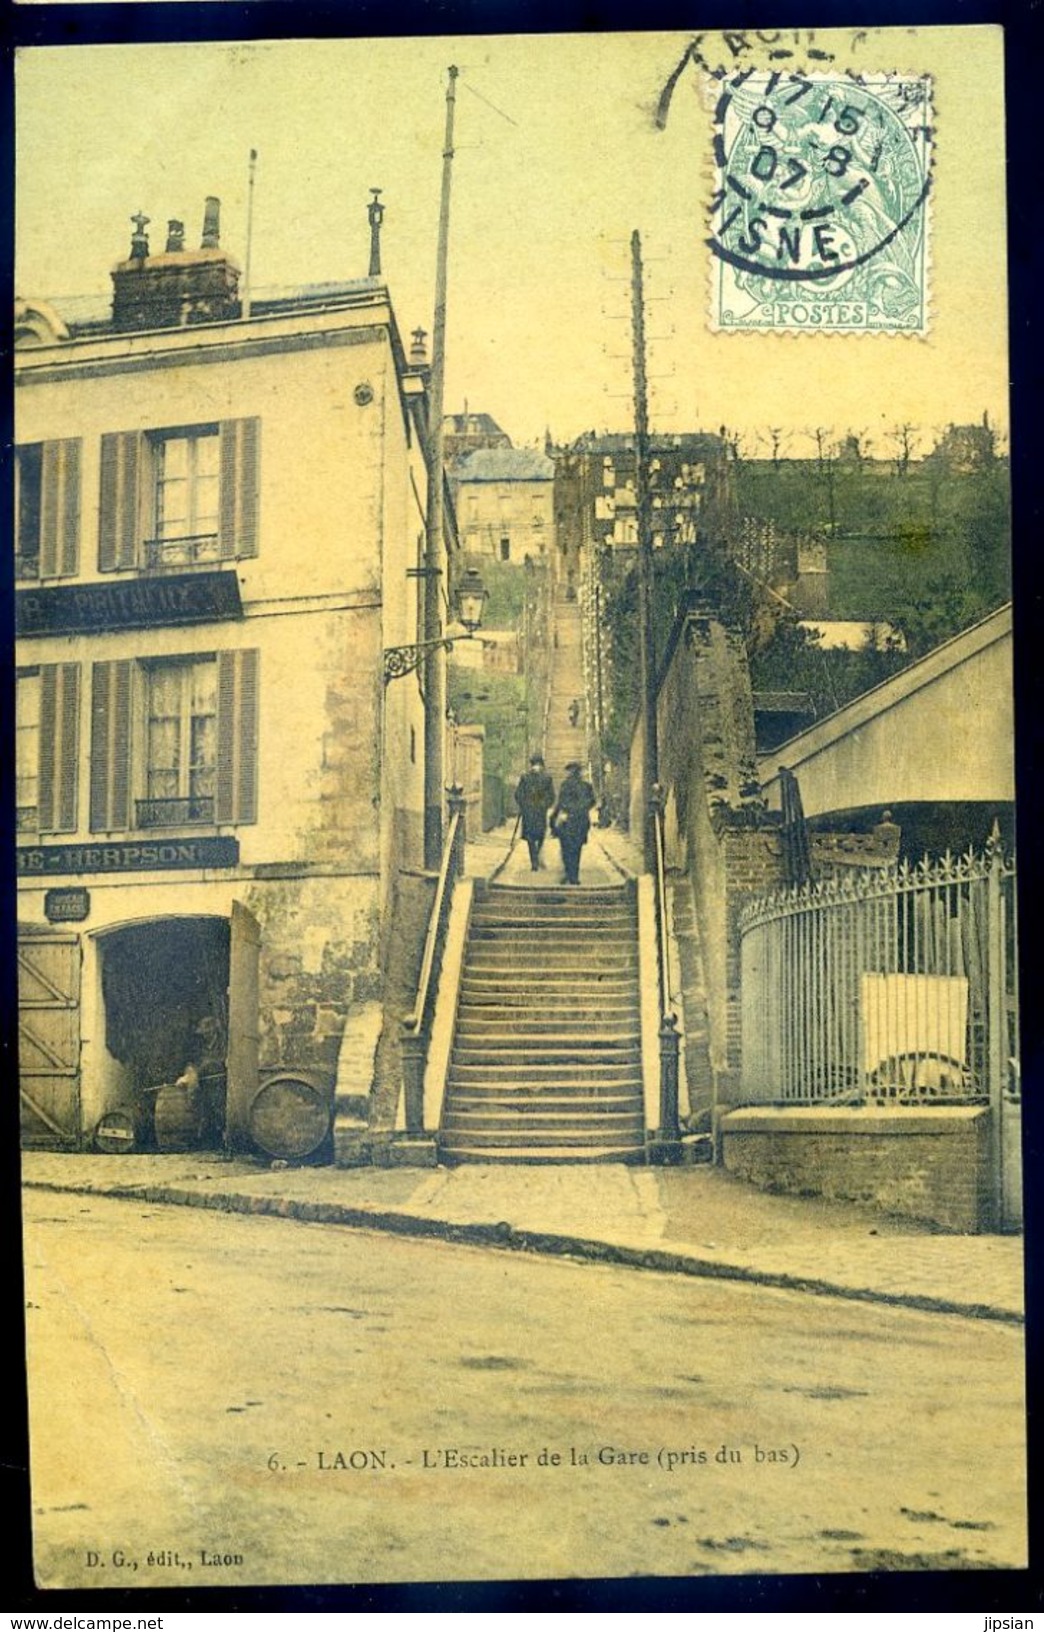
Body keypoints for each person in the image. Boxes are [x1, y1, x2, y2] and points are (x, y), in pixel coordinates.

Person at [551, 761, 596, 885]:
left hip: (567, 820)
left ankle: (568, 873)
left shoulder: (565, 785)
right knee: (577, 849)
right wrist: (582, 809)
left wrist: (554, 817)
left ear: (571, 772)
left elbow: (561, 803)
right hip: (581, 821)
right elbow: (592, 802)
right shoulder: (587, 786)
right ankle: (574, 876)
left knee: (566, 848)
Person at [514, 754, 556, 871]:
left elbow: (518, 794)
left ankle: (534, 860)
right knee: (539, 835)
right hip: (538, 812)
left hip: (530, 812)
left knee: (531, 837)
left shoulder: (527, 777)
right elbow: (551, 796)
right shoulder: (545, 778)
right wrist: (544, 805)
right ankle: (536, 859)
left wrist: (524, 804)